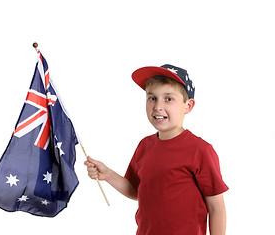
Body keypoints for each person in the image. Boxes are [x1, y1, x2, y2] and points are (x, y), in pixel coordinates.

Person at [84, 64, 229, 235]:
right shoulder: (145, 146)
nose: (157, 106)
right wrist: (108, 175)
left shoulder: (200, 150)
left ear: (188, 106)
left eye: (168, 99)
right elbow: (136, 190)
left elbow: (216, 207)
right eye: (152, 98)